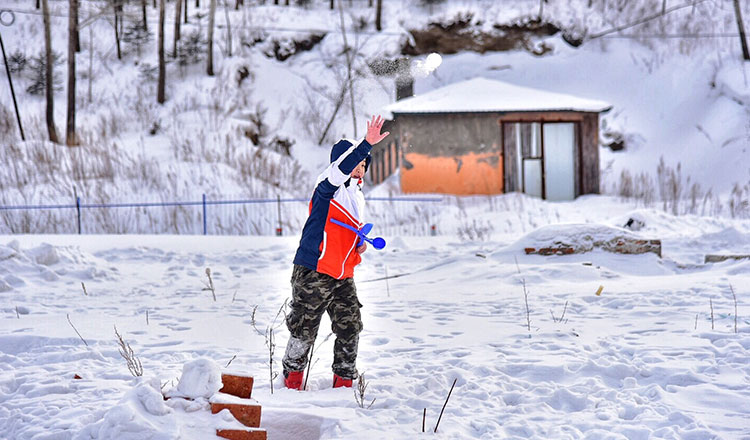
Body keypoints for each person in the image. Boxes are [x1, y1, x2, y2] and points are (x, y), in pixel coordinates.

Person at [282, 115, 389, 390]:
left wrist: (358, 244)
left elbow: (342, 231)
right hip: (314, 270)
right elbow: (341, 169)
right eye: (356, 163)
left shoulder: (356, 196)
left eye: (364, 165)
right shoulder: (328, 185)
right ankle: (290, 380)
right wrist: (365, 144)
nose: (360, 169)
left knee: (350, 325)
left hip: (342, 273)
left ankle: (343, 382)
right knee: (304, 329)